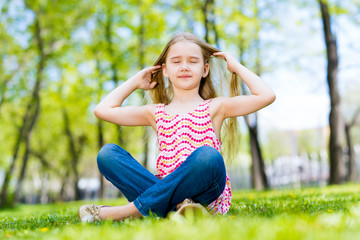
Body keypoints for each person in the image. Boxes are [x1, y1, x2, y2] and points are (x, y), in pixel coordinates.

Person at [78, 32, 276, 222]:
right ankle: (178, 209)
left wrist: (236, 67)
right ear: (165, 70)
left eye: (192, 61)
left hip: (205, 193)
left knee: (208, 156)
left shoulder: (216, 106)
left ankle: (127, 211)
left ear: (205, 69)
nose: (184, 67)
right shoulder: (155, 112)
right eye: (176, 61)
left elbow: (266, 95)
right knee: (107, 154)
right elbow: (102, 110)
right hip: (165, 190)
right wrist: (135, 81)